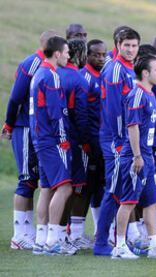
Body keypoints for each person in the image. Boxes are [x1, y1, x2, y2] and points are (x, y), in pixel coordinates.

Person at [112, 55, 156, 259]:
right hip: (136, 157)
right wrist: (137, 156)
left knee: (150, 202)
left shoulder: (150, 94)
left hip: (147, 156)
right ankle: (120, 246)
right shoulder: (138, 95)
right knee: (129, 201)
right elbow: (132, 127)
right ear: (146, 73)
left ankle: (155, 244)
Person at [2, 30, 57, 250]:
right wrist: (9, 124)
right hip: (25, 127)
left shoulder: (48, 65)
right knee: (26, 179)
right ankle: (19, 233)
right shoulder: (33, 63)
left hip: (37, 130)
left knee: (35, 180)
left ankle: (28, 231)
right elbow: (16, 97)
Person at [93, 28, 140, 256]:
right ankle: (101, 242)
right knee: (113, 189)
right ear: (118, 45)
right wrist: (121, 141)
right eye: (127, 45)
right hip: (115, 139)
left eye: (134, 45)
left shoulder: (131, 68)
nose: (130, 50)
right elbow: (113, 111)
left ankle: (118, 240)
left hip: (126, 139)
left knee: (122, 190)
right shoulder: (114, 70)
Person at [29, 36, 76, 255]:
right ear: (57, 53)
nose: (69, 55)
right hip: (51, 140)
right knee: (65, 186)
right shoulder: (52, 76)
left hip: (40, 138)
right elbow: (55, 113)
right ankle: (53, 241)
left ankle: (41, 239)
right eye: (66, 52)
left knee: (47, 188)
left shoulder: (38, 73)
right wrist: (63, 139)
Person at [57, 39, 91, 249]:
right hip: (72, 141)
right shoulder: (78, 79)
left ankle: (51, 234)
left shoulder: (53, 74)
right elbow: (80, 115)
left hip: (51, 139)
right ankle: (65, 235)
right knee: (71, 188)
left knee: (52, 187)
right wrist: (85, 141)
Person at [79, 39, 107, 236]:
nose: (101, 58)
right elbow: (82, 113)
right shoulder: (84, 77)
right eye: (96, 54)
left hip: (104, 139)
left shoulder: (105, 75)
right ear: (87, 55)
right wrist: (86, 141)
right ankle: (74, 231)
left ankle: (100, 230)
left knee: (101, 184)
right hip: (90, 140)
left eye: (103, 54)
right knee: (87, 185)